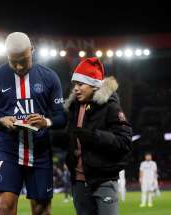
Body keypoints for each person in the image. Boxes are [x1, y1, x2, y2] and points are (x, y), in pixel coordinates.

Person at [0, 32, 66, 215]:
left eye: (23, 60)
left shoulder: (50, 77)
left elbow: (61, 118)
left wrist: (46, 121)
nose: (18, 66)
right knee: (5, 207)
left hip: (40, 153)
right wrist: (0, 121)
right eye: (13, 61)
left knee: (42, 210)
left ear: (32, 50)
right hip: (8, 151)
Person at [64, 57, 132, 215]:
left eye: (80, 84)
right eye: (75, 84)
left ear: (94, 84)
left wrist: (94, 137)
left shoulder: (111, 106)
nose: (75, 89)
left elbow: (124, 142)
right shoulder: (74, 107)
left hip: (103, 181)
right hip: (79, 182)